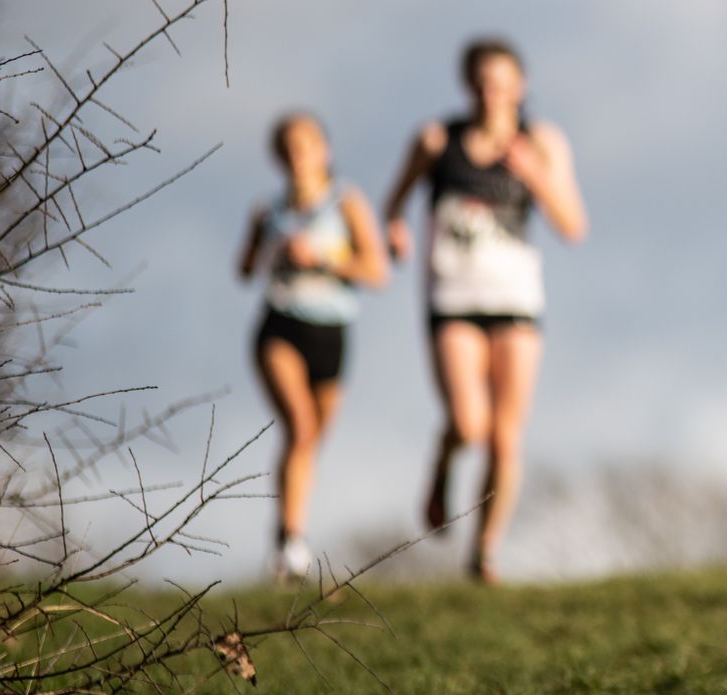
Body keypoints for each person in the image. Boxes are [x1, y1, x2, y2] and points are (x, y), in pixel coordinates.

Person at [380, 38, 586, 584]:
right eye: (482, 82)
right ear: (467, 85)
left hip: (516, 300)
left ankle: (485, 552)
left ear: (520, 86)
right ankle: (444, 460)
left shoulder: (542, 141)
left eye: (501, 82)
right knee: (470, 424)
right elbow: (393, 202)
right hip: (453, 299)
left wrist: (534, 174)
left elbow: (572, 225)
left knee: (506, 436)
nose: (491, 92)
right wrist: (395, 230)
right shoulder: (436, 140)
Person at [235, 112, 388, 582]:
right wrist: (271, 250)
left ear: (325, 150)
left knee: (310, 443)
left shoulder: (346, 201)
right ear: (278, 157)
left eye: (305, 145)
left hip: (332, 332)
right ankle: (292, 541)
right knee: (299, 429)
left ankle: (285, 537)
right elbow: (244, 270)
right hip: (280, 326)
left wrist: (321, 257)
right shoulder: (267, 210)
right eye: (287, 148)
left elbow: (376, 271)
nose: (297, 155)